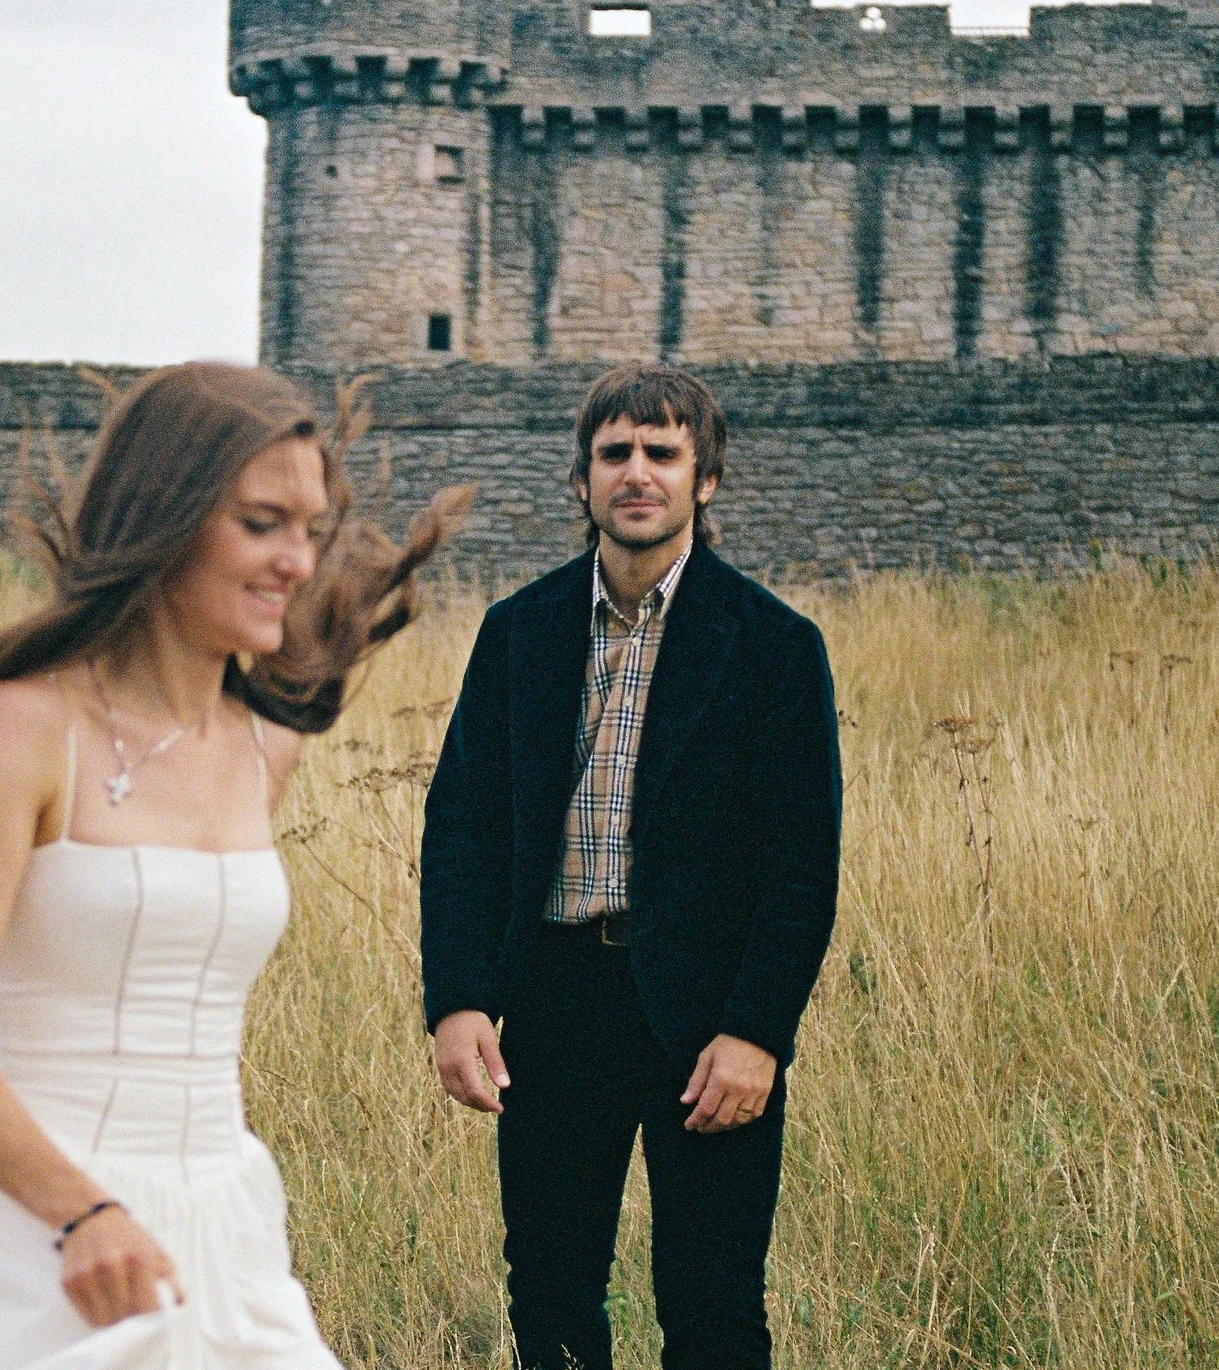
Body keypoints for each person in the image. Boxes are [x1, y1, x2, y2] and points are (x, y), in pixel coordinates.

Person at [0, 361, 468, 1369]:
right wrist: (80, 1211)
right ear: (164, 518)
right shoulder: (24, 728)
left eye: (308, 529)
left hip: (223, 1218)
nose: (297, 562)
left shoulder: (270, 744)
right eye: (262, 523)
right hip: (33, 1233)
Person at [419, 362, 842, 1370]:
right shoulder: (517, 630)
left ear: (705, 479)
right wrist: (458, 999)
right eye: (614, 452)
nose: (636, 472)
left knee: (711, 1304)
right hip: (555, 997)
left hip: (707, 1014)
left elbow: (799, 865)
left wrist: (755, 1030)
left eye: (662, 451)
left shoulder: (772, 645)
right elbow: (463, 827)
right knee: (551, 1298)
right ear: (581, 480)